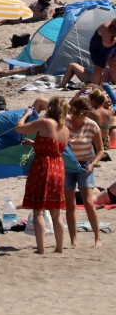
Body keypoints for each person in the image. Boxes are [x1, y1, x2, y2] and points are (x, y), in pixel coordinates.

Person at [16, 99, 68, 255]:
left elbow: (18, 129)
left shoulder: (45, 122)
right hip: (58, 167)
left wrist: (26, 114)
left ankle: (41, 249)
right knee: (56, 211)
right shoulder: (65, 129)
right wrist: (34, 143)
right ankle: (59, 247)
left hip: (43, 166)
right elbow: (54, 147)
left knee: (38, 210)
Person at [64, 96, 104, 248]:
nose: (74, 115)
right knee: (70, 203)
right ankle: (74, 240)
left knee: (88, 202)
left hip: (86, 164)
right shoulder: (65, 121)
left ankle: (97, 238)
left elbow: (100, 151)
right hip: (68, 164)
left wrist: (93, 164)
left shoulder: (92, 126)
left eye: (78, 113)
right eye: (73, 112)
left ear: (85, 113)